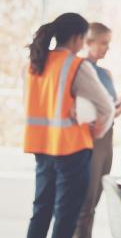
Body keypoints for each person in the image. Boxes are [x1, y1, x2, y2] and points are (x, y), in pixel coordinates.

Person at [24, 13, 114, 238]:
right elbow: (107, 107)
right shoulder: (76, 64)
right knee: (66, 216)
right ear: (77, 38)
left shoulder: (36, 61)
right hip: (71, 149)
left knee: (41, 211)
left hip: (42, 147)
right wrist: (96, 132)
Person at [73, 22, 121, 238]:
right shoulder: (79, 68)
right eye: (103, 43)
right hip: (89, 138)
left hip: (106, 138)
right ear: (88, 42)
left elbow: (109, 107)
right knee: (84, 201)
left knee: (93, 201)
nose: (107, 48)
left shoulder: (105, 73)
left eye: (108, 43)